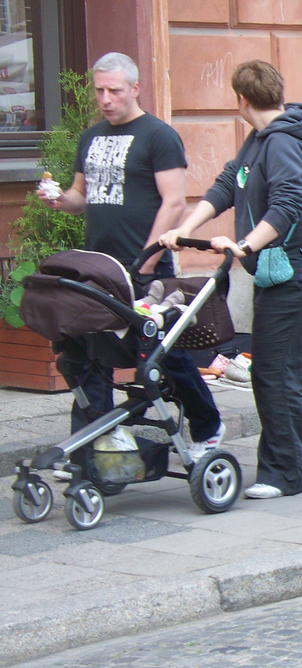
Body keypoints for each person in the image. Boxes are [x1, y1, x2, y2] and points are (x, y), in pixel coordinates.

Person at [160, 60, 302, 498]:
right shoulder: (259, 139)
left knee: (272, 371)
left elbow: (288, 204)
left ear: (241, 100)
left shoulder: (285, 143)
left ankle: (282, 474)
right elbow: (224, 186)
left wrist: (247, 245)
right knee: (294, 362)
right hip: (292, 271)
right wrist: (185, 228)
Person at [41, 52, 223, 455]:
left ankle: (207, 423)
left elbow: (174, 202)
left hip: (145, 266)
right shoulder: (91, 137)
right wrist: (59, 200)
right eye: (100, 90)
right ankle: (95, 438)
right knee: (90, 349)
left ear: (135, 88)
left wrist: (150, 256)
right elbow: (80, 198)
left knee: (161, 355)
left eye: (115, 90)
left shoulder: (158, 136)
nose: (105, 99)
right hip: (100, 268)